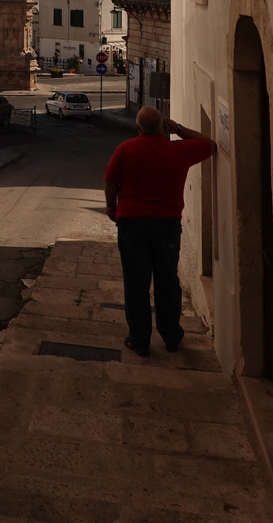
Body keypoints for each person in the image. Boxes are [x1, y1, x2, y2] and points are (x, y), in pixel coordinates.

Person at [103, 105, 216, 358]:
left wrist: (112, 206)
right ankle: (171, 336)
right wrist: (179, 129)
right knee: (167, 280)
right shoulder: (180, 150)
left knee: (136, 283)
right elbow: (209, 144)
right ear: (163, 127)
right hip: (166, 224)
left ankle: (140, 341)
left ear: (138, 128)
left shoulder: (125, 149)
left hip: (132, 222)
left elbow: (111, 181)